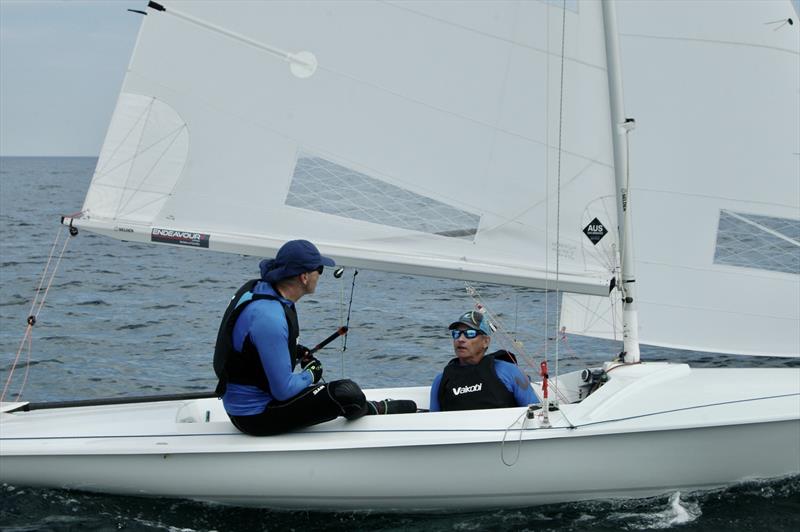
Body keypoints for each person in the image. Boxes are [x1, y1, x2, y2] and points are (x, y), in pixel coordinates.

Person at [214, 239, 415, 436]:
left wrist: (294, 352)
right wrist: (312, 373)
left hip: (244, 403)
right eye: (319, 269)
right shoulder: (270, 317)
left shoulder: (264, 291)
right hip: (256, 416)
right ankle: (372, 411)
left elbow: (250, 348)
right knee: (346, 392)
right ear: (304, 277)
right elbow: (283, 391)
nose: (320, 274)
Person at [429, 310, 539, 411]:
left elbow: (535, 410)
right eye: (456, 334)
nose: (460, 339)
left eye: (470, 334)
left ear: (485, 341)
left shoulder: (511, 372)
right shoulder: (441, 380)